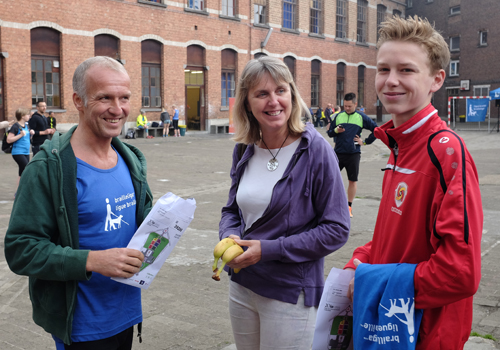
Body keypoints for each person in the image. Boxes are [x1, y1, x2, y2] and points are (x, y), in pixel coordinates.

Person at [345, 16, 483, 350]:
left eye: (406, 70)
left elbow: (460, 272)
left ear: (436, 80)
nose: (390, 81)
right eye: (383, 69)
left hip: (424, 336)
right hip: (391, 327)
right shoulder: (398, 145)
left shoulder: (446, 152)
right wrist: (356, 264)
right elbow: (397, 243)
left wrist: (371, 284)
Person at [4, 56, 153, 349]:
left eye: (124, 97)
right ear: (78, 100)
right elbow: (20, 249)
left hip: (126, 312)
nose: (118, 109)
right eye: (104, 98)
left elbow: (141, 223)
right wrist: (92, 260)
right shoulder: (48, 167)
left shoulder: (131, 158)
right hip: (81, 324)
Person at [218, 56, 350, 350]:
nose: (273, 101)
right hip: (242, 285)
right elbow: (232, 210)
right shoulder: (244, 148)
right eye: (261, 93)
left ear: (292, 94)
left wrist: (268, 250)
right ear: (247, 103)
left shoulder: (315, 150)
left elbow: (337, 229)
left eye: (280, 90)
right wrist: (228, 235)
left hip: (290, 292)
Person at [326, 92, 377, 218]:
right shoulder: (338, 116)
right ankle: (329, 205)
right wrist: (336, 131)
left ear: (355, 104)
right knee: (330, 179)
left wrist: (364, 142)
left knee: (352, 180)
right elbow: (330, 133)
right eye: (345, 106)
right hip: (338, 153)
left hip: (353, 153)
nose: (347, 108)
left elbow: (376, 130)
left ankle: (349, 206)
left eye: (349, 106)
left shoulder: (361, 117)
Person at [7, 108, 35, 191]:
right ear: (22, 116)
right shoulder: (15, 126)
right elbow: (9, 140)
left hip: (26, 152)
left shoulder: (27, 125)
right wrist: (20, 135)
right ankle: (27, 190)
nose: (29, 116)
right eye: (27, 115)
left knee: (22, 172)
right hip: (18, 152)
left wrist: (31, 134)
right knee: (28, 169)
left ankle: (18, 192)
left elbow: (26, 139)